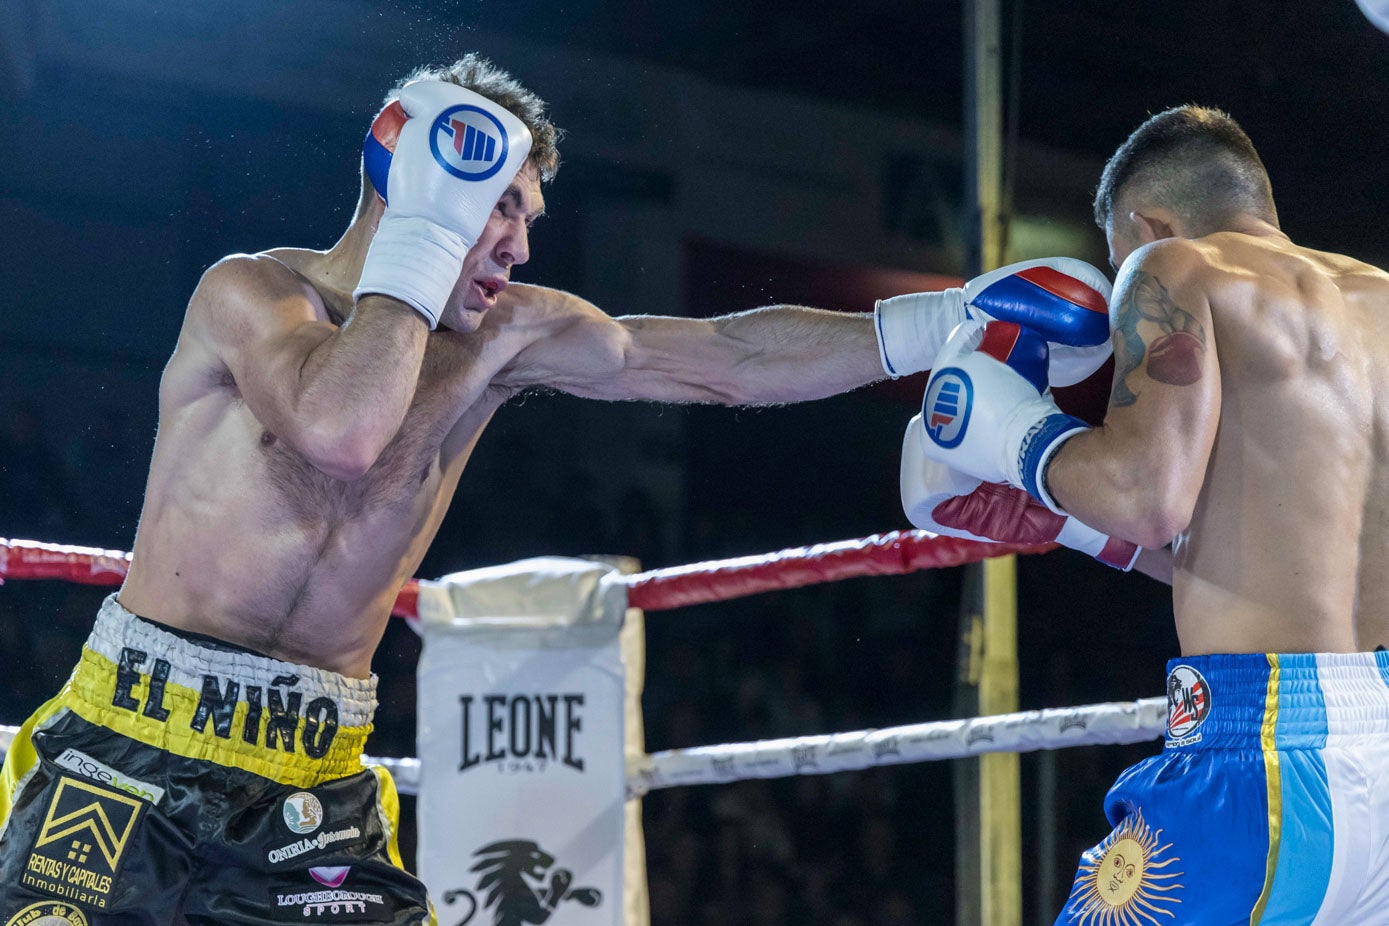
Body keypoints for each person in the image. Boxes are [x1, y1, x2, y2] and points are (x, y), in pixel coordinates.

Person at [0, 52, 1119, 924]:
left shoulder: (507, 334)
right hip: (125, 752)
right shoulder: (249, 297)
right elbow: (340, 426)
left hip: (307, 781)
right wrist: (431, 222)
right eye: (501, 202)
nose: (521, 239)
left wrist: (940, 321)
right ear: (424, 177)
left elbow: (722, 358)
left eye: (526, 213)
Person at [918, 104, 1389, 923]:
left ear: (1146, 221)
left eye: (1116, 255)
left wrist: (1010, 432)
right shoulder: (1380, 303)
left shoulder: (1174, 266)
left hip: (1261, 766)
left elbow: (1144, 496)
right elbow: (1279, 546)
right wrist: (1065, 519)